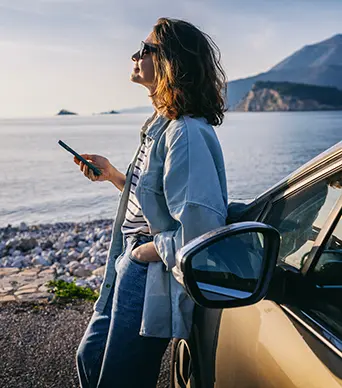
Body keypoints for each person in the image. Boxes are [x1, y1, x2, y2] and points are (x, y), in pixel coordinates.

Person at [75, 17, 228, 388]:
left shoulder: (186, 133)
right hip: (130, 262)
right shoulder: (161, 123)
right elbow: (157, 201)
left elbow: (203, 230)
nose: (134, 55)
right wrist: (113, 175)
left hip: (148, 271)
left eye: (144, 49)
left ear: (171, 60)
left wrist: (145, 253)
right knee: (90, 358)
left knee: (121, 379)